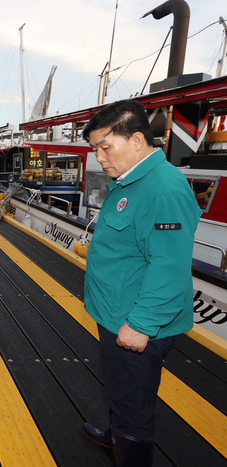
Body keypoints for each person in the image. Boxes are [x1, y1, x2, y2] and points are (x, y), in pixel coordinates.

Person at [81, 100, 202, 466]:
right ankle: (116, 433)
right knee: (121, 392)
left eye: (105, 147)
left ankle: (128, 445)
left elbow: (169, 267)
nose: (99, 157)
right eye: (94, 149)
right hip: (116, 311)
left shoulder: (163, 190)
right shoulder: (129, 178)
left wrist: (141, 325)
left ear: (136, 139)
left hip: (135, 323)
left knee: (134, 404)